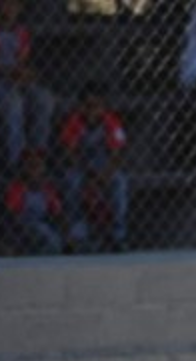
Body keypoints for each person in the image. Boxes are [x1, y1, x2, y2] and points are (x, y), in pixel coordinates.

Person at [59, 83, 129, 252]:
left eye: (97, 106)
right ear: (81, 106)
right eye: (87, 105)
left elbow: (117, 155)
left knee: (119, 182)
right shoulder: (74, 121)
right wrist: (88, 175)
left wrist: (104, 176)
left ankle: (118, 234)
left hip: (104, 165)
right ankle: (75, 231)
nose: (92, 110)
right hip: (80, 165)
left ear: (103, 107)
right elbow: (69, 153)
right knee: (72, 181)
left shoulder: (111, 121)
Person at [0, 0, 55, 169]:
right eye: (5, 4)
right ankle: (17, 159)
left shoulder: (21, 32)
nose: (10, 9)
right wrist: (11, 73)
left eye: (14, 4)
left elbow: (22, 61)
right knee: (14, 103)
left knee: (44, 99)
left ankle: (38, 155)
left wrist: (24, 74)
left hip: (16, 80)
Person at [3, 147, 70, 255]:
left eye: (38, 164)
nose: (34, 162)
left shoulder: (48, 190)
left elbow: (59, 215)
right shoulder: (16, 188)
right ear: (23, 167)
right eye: (30, 164)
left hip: (44, 230)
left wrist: (65, 232)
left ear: (44, 167)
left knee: (48, 233)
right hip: (23, 231)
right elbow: (11, 217)